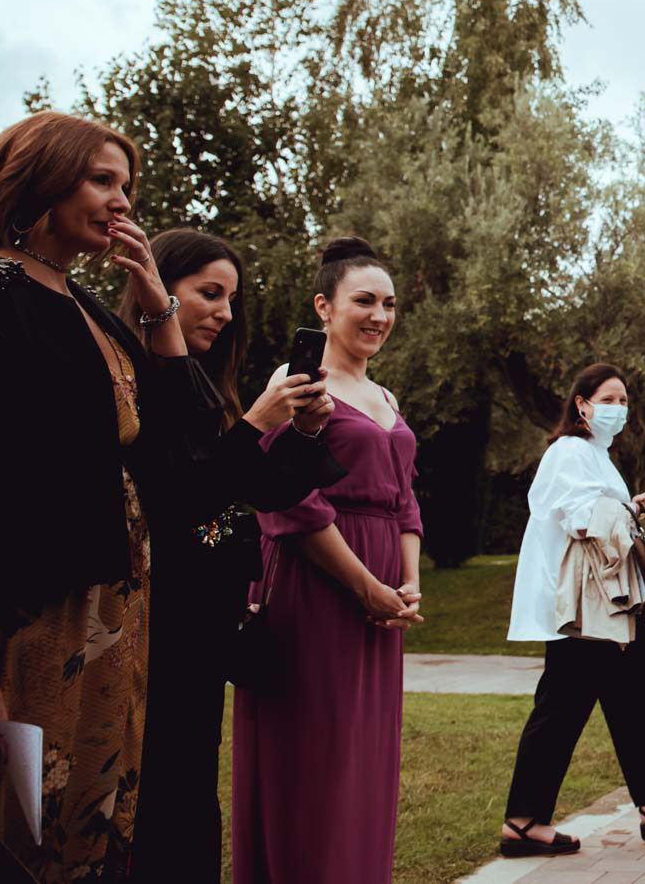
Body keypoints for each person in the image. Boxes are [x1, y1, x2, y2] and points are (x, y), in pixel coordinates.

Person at [0, 112, 230, 880]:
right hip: (38, 608)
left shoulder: (84, 304)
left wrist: (153, 293)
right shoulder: (4, 294)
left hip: (116, 602)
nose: (121, 201)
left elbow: (187, 429)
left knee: (98, 820)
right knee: (29, 820)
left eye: (127, 186)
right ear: (44, 175)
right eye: (103, 181)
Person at [124, 229, 341, 879]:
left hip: (205, 623)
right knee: (162, 790)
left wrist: (301, 433)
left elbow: (246, 497)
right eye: (209, 293)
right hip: (155, 622)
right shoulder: (132, 381)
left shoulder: (206, 389)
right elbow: (185, 503)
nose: (224, 311)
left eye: (231, 299)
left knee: (192, 787)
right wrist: (254, 428)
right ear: (159, 291)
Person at [231, 236, 424, 884]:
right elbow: (287, 503)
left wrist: (409, 582)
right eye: (364, 300)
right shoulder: (295, 387)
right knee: (318, 754)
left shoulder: (387, 397)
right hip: (317, 586)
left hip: (383, 601)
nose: (379, 315)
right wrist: (365, 585)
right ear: (324, 305)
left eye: (389, 303)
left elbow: (405, 501)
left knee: (366, 758)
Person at [498, 362, 645, 856]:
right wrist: (627, 512)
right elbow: (577, 516)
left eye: (624, 401)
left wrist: (635, 509)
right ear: (581, 404)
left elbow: (597, 513)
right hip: (591, 608)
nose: (620, 409)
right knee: (576, 708)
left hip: (606, 606)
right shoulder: (570, 451)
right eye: (610, 399)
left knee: (630, 702)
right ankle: (529, 822)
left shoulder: (595, 455)